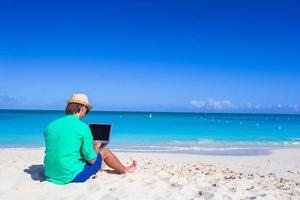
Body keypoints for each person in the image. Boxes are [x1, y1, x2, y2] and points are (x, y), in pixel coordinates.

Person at [44, 93, 137, 185]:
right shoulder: (82, 127)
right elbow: (91, 160)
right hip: (71, 176)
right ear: (82, 108)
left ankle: (101, 166)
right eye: (87, 110)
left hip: (50, 173)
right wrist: (96, 146)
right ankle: (125, 169)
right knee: (104, 151)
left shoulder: (51, 126)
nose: (86, 113)